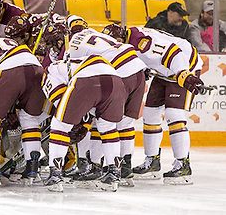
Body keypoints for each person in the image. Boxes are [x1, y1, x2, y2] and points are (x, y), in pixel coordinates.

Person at [103, 24, 203, 185]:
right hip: (163, 71)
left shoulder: (142, 42)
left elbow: (173, 53)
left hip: (183, 66)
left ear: (120, 39)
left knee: (174, 115)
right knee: (150, 113)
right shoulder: (131, 40)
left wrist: (183, 74)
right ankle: (152, 161)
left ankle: (183, 164)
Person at [65, 15, 147, 186]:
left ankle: (96, 167)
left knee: (100, 123)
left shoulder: (72, 44)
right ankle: (125, 168)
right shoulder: (96, 33)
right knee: (126, 124)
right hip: (138, 70)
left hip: (118, 73)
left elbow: (75, 77)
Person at [42, 40, 126, 192]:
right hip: (115, 79)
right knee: (108, 128)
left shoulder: (50, 69)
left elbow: (60, 101)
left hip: (87, 80)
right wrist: (84, 121)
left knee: (59, 125)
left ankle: (55, 175)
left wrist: (76, 121)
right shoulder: (76, 62)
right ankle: (114, 173)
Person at [0, 29, 46, 186]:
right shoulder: (10, 42)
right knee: (30, 121)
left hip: (9, 70)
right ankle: (32, 168)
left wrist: (5, 105)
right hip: (36, 68)